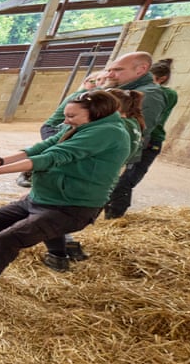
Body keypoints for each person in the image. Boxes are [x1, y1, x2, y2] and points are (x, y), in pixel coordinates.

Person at [0, 90, 130, 307]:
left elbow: (52, 157)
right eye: (66, 115)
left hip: (71, 206)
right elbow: (40, 148)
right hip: (41, 197)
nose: (65, 121)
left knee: (6, 240)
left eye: (72, 116)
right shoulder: (78, 127)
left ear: (96, 113)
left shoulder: (107, 132)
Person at [39, 87, 144, 270]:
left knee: (47, 213)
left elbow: (61, 150)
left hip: (83, 181)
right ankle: (64, 249)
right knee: (48, 214)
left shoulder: (108, 129)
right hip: (106, 178)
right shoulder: (133, 124)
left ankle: (61, 253)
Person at [102, 52, 170, 218]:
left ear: (141, 69)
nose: (110, 74)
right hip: (121, 145)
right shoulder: (124, 90)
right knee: (109, 184)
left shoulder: (149, 94)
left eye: (117, 70)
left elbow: (139, 130)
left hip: (140, 146)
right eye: (110, 70)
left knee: (121, 184)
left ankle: (114, 220)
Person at [17, 70, 104, 189]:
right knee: (53, 151)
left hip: (67, 128)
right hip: (54, 128)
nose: (96, 84)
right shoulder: (82, 97)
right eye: (93, 81)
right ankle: (27, 173)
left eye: (100, 80)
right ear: (85, 82)